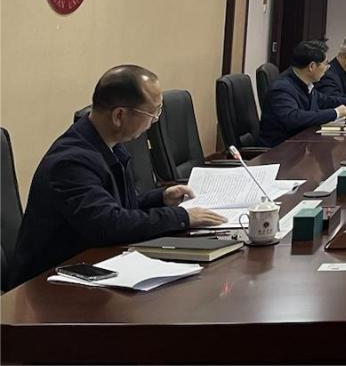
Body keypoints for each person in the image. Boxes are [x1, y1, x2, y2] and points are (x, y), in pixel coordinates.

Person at [10, 66, 226, 289]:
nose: (154, 121)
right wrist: (181, 217)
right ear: (119, 115)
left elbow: (116, 207)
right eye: (152, 114)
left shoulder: (107, 145)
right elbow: (109, 224)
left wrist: (160, 198)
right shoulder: (71, 162)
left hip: (91, 266)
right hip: (48, 286)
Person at [262, 40, 346, 146]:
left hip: (301, 142)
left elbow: (325, 100)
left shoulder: (304, 82)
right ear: (312, 66)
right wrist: (335, 113)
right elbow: (294, 117)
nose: (328, 68)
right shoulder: (282, 88)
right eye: (325, 64)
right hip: (280, 149)